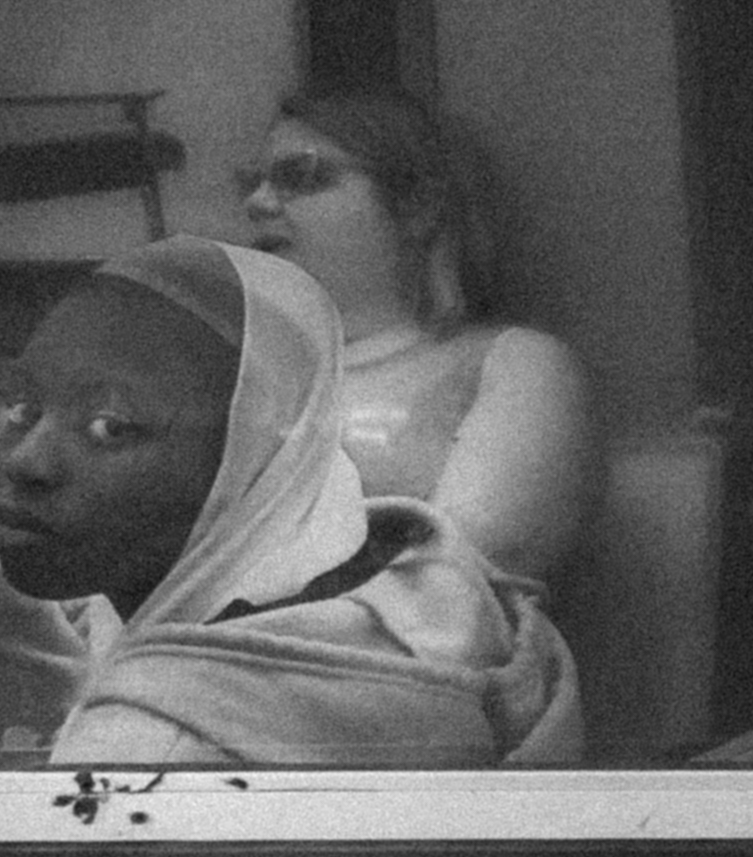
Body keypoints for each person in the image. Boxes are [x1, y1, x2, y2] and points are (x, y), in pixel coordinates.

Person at [0, 238, 582, 768]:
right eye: (21, 406)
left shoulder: (155, 750)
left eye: (112, 426)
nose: (29, 461)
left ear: (253, 462)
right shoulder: (423, 602)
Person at [240, 87, 597, 598]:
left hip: (389, 660)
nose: (258, 203)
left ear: (418, 206)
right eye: (251, 184)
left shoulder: (515, 362)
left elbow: (464, 578)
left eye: (300, 176)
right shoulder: (237, 376)